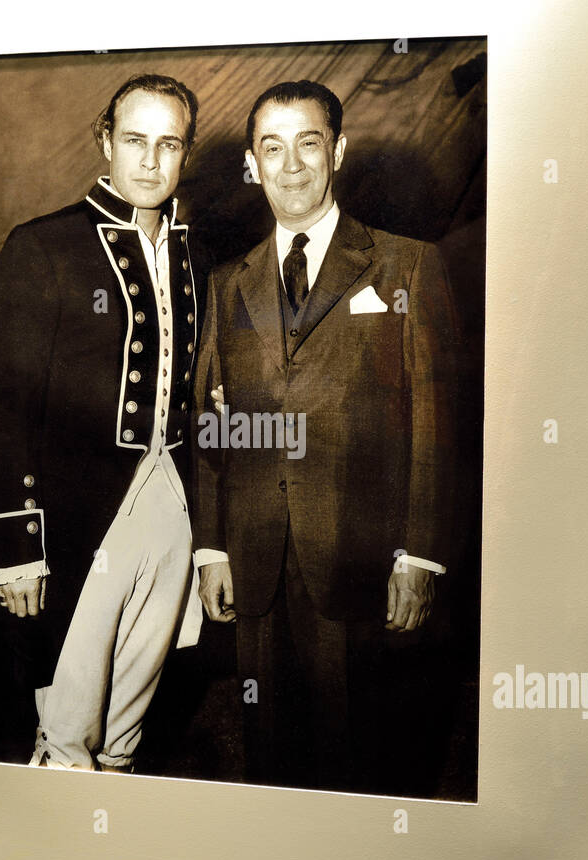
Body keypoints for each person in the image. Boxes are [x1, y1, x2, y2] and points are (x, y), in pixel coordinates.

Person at [191, 80, 458, 794]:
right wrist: (212, 545)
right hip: (256, 559)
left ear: (337, 150)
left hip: (362, 559)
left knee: (360, 760)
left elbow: (437, 423)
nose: (291, 165)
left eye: (307, 143)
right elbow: (213, 422)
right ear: (253, 163)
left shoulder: (408, 264)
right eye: (271, 148)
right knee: (269, 756)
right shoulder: (228, 281)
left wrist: (421, 556)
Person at [0, 74, 205, 772]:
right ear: (104, 140)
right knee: (68, 731)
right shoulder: (43, 247)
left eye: (170, 143)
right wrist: (17, 545)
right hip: (78, 517)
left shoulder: (199, 252)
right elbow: (1, 403)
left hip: (173, 510)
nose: (151, 161)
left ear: (186, 151)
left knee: (128, 733)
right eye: (135, 140)